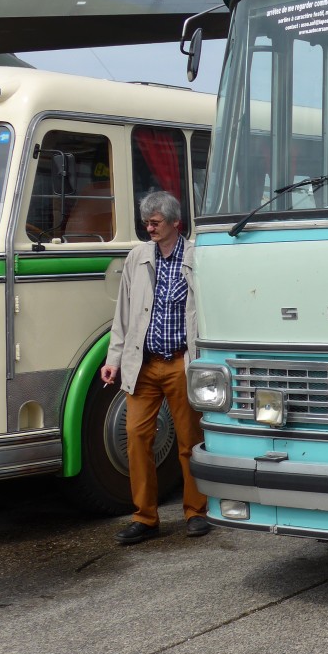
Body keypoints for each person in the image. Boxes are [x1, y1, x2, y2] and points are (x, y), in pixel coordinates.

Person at [100, 191, 209, 544]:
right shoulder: (137, 258)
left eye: (156, 223)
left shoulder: (196, 257)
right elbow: (123, 315)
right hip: (144, 364)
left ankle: (196, 512)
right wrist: (113, 360)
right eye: (146, 222)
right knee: (136, 438)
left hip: (181, 362)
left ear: (176, 223)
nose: (149, 228)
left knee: (190, 440)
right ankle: (145, 517)